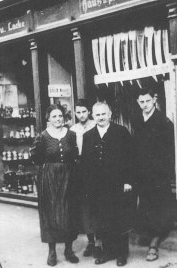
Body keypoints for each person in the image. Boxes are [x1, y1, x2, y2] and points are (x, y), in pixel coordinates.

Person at [80, 102, 134, 266]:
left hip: (117, 184)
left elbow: (130, 159)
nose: (101, 117)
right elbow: (85, 163)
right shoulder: (88, 135)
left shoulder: (121, 132)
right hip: (98, 187)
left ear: (110, 114)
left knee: (119, 218)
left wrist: (128, 181)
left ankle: (121, 253)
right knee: (102, 221)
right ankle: (108, 252)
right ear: (93, 116)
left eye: (104, 114)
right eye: (97, 115)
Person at [30, 104, 79, 267]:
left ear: (64, 118)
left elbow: (75, 155)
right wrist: (46, 173)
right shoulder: (42, 137)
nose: (58, 119)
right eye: (54, 116)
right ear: (48, 119)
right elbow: (35, 158)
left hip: (69, 177)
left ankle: (69, 249)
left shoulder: (71, 135)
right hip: (49, 178)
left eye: (60, 116)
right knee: (51, 213)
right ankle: (52, 251)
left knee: (69, 211)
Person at [132, 87, 175, 262]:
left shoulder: (164, 122)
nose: (145, 105)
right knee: (146, 207)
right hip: (142, 174)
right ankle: (149, 236)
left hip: (158, 175)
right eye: (141, 102)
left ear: (154, 100)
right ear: (137, 102)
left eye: (147, 101)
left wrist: (163, 173)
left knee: (158, 208)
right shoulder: (137, 120)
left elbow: (169, 153)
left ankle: (154, 244)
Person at [70, 99, 100, 258]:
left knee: (97, 204)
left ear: (89, 111)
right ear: (75, 113)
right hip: (80, 168)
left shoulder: (96, 125)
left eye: (84, 111)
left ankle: (100, 241)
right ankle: (91, 242)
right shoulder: (73, 129)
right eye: (78, 112)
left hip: (95, 167)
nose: (81, 115)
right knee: (85, 206)